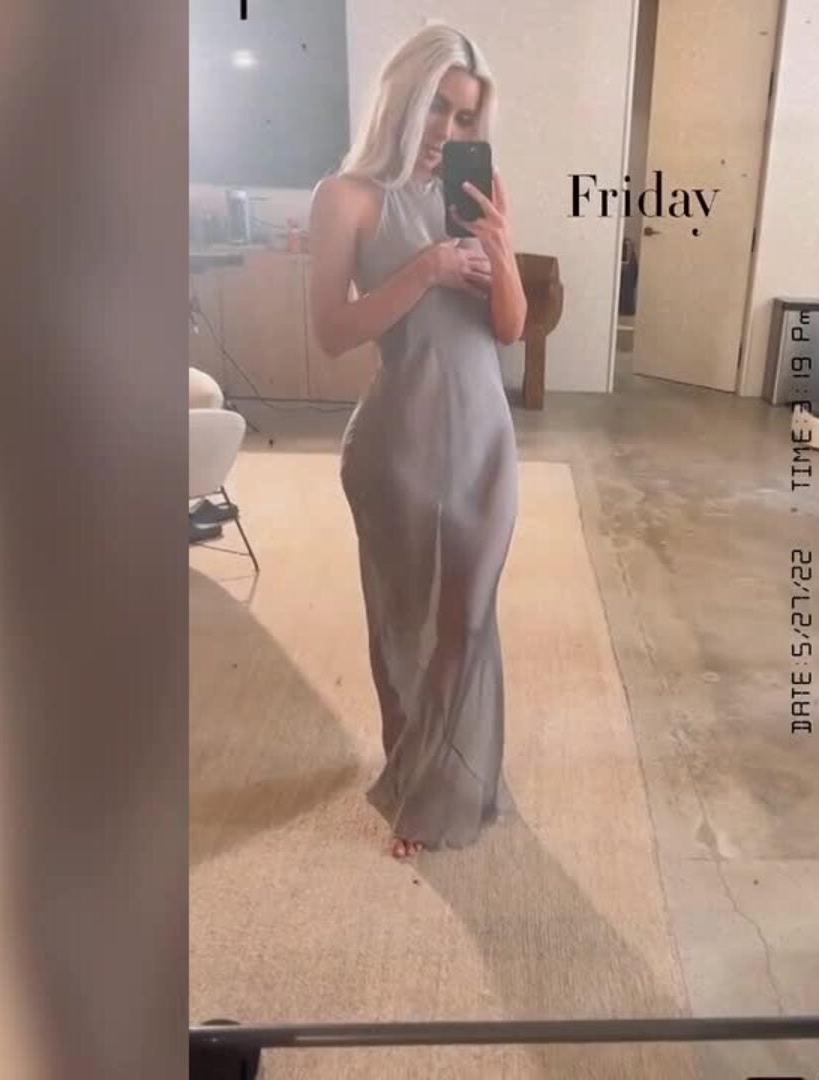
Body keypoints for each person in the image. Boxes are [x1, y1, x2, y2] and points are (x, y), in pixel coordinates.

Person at [307, 24, 526, 859]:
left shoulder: (481, 187)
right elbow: (333, 332)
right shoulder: (347, 197)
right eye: (437, 105)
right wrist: (427, 268)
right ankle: (416, 783)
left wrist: (499, 247)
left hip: (483, 440)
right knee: (406, 623)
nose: (447, 128)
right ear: (402, 94)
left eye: (464, 115)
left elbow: (509, 328)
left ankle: (451, 780)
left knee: (468, 618)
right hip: (398, 445)